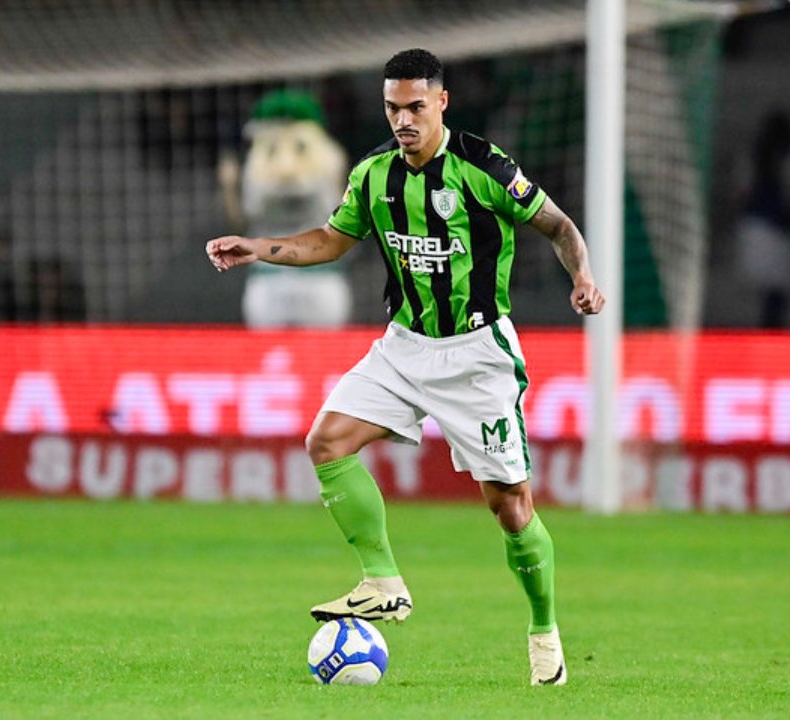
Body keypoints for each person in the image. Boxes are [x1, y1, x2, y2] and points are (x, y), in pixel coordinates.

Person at [206, 49, 605, 687]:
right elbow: (330, 242)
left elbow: (558, 226)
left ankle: (543, 630)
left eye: (416, 106)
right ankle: (382, 580)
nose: (403, 120)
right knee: (326, 440)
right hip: (404, 345)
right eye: (393, 108)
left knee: (511, 508)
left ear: (441, 102)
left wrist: (581, 274)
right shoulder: (372, 175)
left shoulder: (484, 167)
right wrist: (260, 248)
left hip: (477, 355)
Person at [219, 89, 353, 328]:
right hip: (272, 279)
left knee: (324, 358)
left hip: (318, 276)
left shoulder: (329, 161)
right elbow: (241, 220)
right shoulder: (255, 168)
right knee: (273, 360)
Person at [736, 109, 790, 328]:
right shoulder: (754, 160)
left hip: (775, 230)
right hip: (764, 228)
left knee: (776, 294)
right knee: (768, 294)